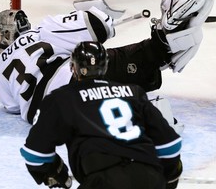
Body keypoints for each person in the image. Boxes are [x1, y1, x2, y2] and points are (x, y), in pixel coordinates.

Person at [0, 0, 213, 131]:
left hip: (47, 118)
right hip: (77, 76)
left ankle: (142, 112)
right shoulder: (42, 30)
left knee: (93, 108)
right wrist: (105, 20)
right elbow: (94, 24)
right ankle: (165, 40)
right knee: (127, 57)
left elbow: (13, 107)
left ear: (8, 35)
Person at [20, 41, 183, 189]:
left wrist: (57, 173)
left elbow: (35, 154)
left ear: (73, 68)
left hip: (102, 181)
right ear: (105, 67)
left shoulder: (62, 98)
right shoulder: (134, 92)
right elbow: (170, 145)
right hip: (149, 178)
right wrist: (166, 177)